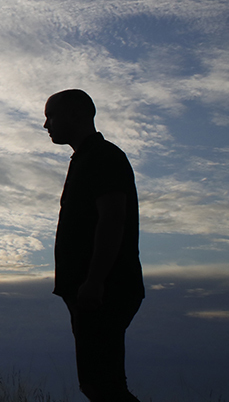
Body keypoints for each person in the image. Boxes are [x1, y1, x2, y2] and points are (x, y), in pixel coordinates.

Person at [44, 89, 144, 402]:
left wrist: (95, 281)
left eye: (51, 116)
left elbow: (113, 219)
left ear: (76, 115)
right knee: (99, 383)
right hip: (91, 290)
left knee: (102, 385)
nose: (46, 125)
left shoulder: (103, 157)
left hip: (104, 290)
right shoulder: (85, 159)